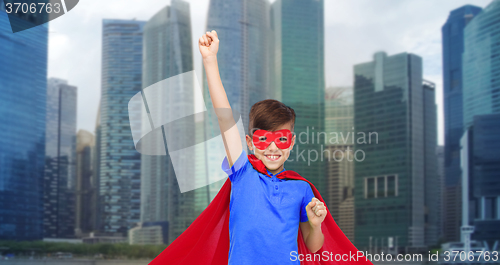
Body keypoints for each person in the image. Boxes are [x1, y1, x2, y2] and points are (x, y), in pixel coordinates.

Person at [149, 30, 373, 265]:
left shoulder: (302, 189)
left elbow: (313, 245)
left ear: (292, 143)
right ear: (249, 142)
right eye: (264, 138)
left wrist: (315, 225)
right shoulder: (242, 173)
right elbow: (225, 118)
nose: (273, 147)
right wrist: (209, 60)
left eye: (282, 138)